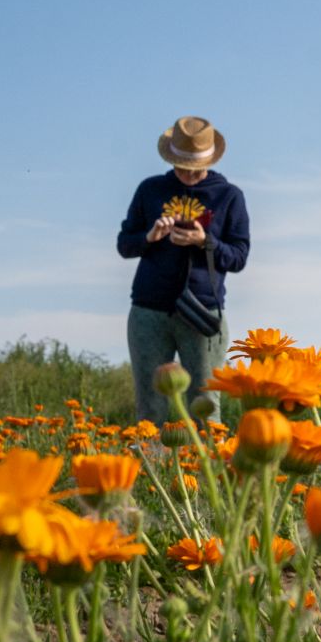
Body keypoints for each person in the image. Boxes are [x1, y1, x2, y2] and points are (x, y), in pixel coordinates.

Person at [116, 117, 251, 423]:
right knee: (151, 404)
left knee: (204, 403)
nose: (188, 175)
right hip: (149, 310)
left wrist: (205, 241)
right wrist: (150, 237)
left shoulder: (229, 196)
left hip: (203, 310)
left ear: (209, 160)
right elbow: (125, 245)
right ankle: (153, 466)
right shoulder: (150, 190)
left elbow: (240, 257)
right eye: (181, 167)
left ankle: (207, 469)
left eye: (194, 169)